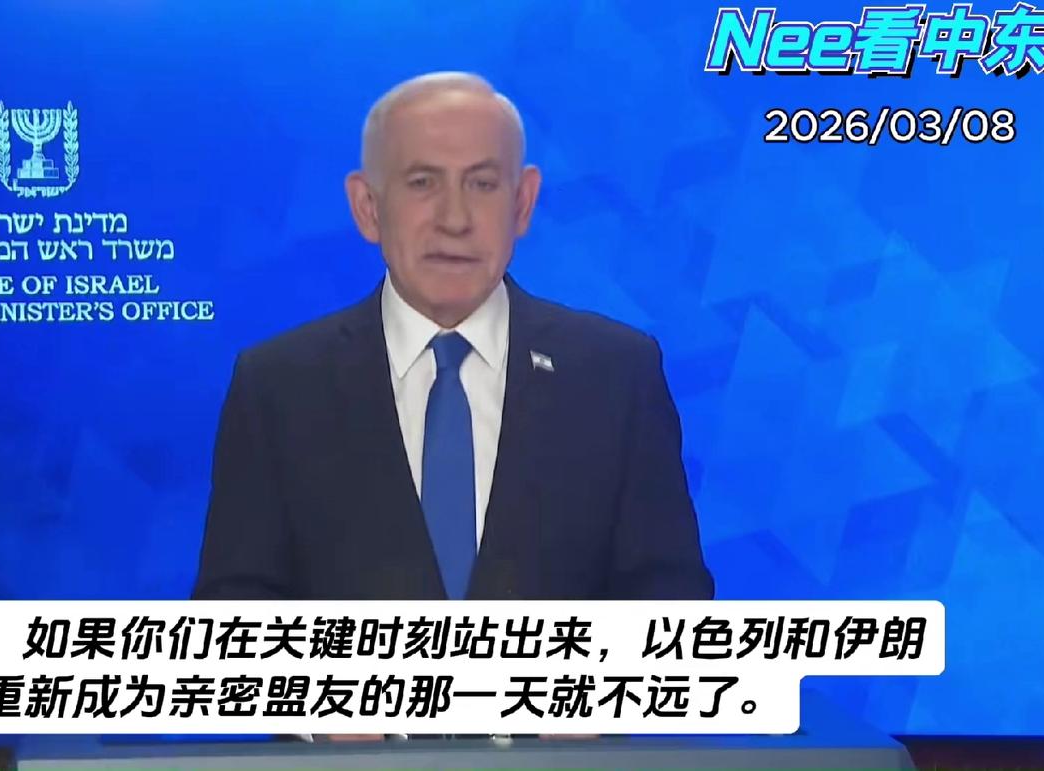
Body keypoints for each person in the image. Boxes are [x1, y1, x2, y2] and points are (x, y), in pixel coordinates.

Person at [193, 72, 712, 602]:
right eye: (422, 183)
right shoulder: (278, 385)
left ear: (522, 202)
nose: (455, 220)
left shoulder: (616, 374)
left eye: (482, 184)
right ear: (368, 207)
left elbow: (669, 604)